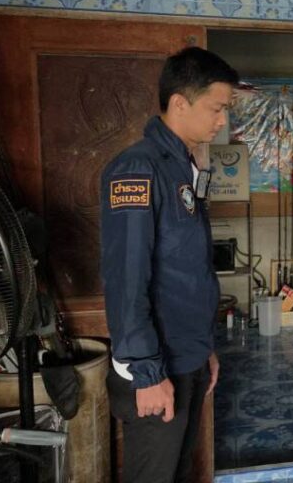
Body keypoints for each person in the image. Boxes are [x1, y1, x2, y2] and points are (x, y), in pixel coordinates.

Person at [100, 47, 237, 483]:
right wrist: (146, 373)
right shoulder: (137, 170)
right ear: (180, 102)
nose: (222, 121)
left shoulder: (183, 166)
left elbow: (187, 272)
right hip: (155, 368)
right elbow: (126, 279)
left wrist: (203, 348)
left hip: (186, 357)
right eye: (216, 108)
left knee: (179, 474)